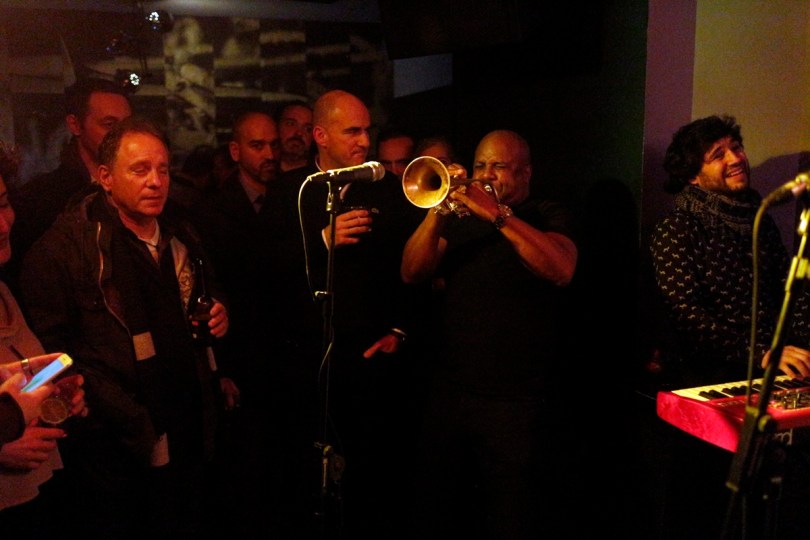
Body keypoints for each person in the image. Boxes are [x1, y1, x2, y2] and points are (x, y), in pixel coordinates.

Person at [18, 116, 231, 539]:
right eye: (139, 170)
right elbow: (52, 351)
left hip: (188, 415)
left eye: (163, 169)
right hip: (114, 439)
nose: (155, 182)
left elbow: (207, 295)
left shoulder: (181, 233)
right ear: (105, 178)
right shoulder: (68, 248)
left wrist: (220, 313)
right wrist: (109, 409)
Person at [401, 129, 578, 539]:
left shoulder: (546, 212)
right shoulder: (460, 220)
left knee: (509, 515)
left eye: (498, 166)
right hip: (451, 393)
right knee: (439, 509)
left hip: (514, 402)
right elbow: (411, 271)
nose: (485, 174)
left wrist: (499, 215)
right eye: (480, 165)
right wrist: (438, 210)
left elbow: (561, 269)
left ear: (526, 172)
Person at [647, 114, 810, 540]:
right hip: (709, 383)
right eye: (717, 154)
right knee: (708, 511)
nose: (736, 158)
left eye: (735, 147)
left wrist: (801, 343)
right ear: (693, 176)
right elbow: (687, 316)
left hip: (768, 378)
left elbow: (786, 294)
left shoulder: (759, 220)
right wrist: (762, 353)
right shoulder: (677, 228)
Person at [280, 89, 425, 539]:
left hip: (370, 355)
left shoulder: (387, 189)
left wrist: (400, 330)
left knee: (373, 475)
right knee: (311, 471)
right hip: (311, 357)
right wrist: (323, 239)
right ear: (320, 135)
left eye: (367, 130)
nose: (364, 140)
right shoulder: (293, 190)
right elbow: (263, 270)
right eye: (352, 131)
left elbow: (412, 266)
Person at [194, 110, 320, 537]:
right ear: (235, 151)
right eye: (257, 145)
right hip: (243, 355)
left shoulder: (290, 199)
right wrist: (222, 367)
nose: (270, 153)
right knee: (248, 467)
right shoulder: (213, 211)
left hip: (286, 353)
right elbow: (216, 288)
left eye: (273, 144)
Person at [0, 142, 87, 538]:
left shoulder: (6, 291)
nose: (3, 225)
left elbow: (15, 380)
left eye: (3, 204)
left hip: (36, 492)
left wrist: (55, 388)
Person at [9, 78, 132, 280]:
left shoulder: (140, 189)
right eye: (109, 124)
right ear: (75, 125)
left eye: (127, 125)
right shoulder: (41, 199)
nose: (122, 135)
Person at [275, 100, 315, 173]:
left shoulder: (321, 175)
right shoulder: (264, 172)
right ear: (276, 126)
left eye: (308, 129)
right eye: (291, 124)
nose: (299, 133)